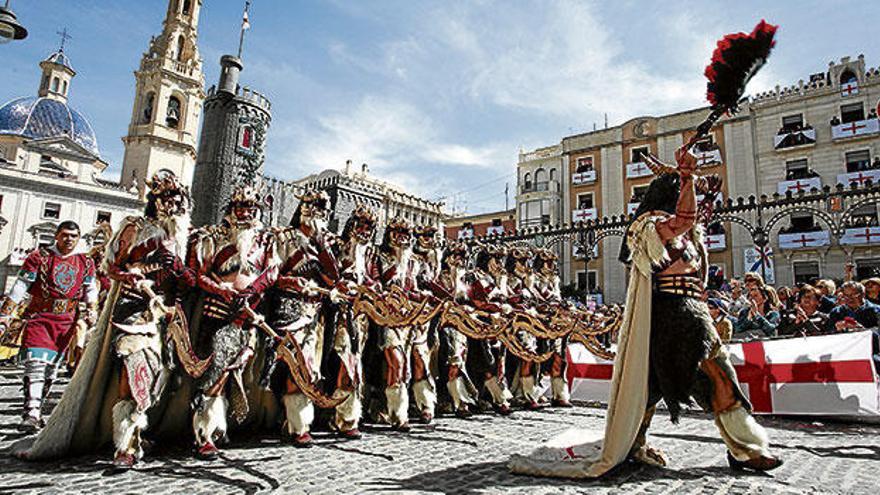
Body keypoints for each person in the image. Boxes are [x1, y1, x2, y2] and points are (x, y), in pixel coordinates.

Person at [511, 144, 781, 478]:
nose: (693, 195)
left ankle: (746, 449)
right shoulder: (648, 226)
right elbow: (684, 219)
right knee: (646, 389)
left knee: (722, 380)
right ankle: (631, 444)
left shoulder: (693, 236)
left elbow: (699, 209)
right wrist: (685, 174)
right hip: (664, 318)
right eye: (684, 190)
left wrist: (691, 178)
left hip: (695, 317)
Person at [187, 185, 277, 459]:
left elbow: (272, 272)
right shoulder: (213, 237)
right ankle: (204, 434)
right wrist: (220, 289)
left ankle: (219, 427)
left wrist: (251, 291)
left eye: (250, 209)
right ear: (231, 210)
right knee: (216, 372)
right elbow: (199, 274)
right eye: (240, 208)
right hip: (218, 312)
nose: (245, 213)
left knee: (233, 372)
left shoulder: (265, 242)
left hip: (247, 316)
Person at [0, 222, 97, 432]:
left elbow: (91, 288)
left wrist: (92, 310)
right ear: (57, 236)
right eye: (65, 235)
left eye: (74, 235)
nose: (69, 239)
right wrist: (6, 313)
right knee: (36, 363)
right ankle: (31, 411)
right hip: (41, 316)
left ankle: (38, 408)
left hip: (67, 320)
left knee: (52, 368)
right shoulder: (39, 257)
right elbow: (21, 285)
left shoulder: (85, 262)